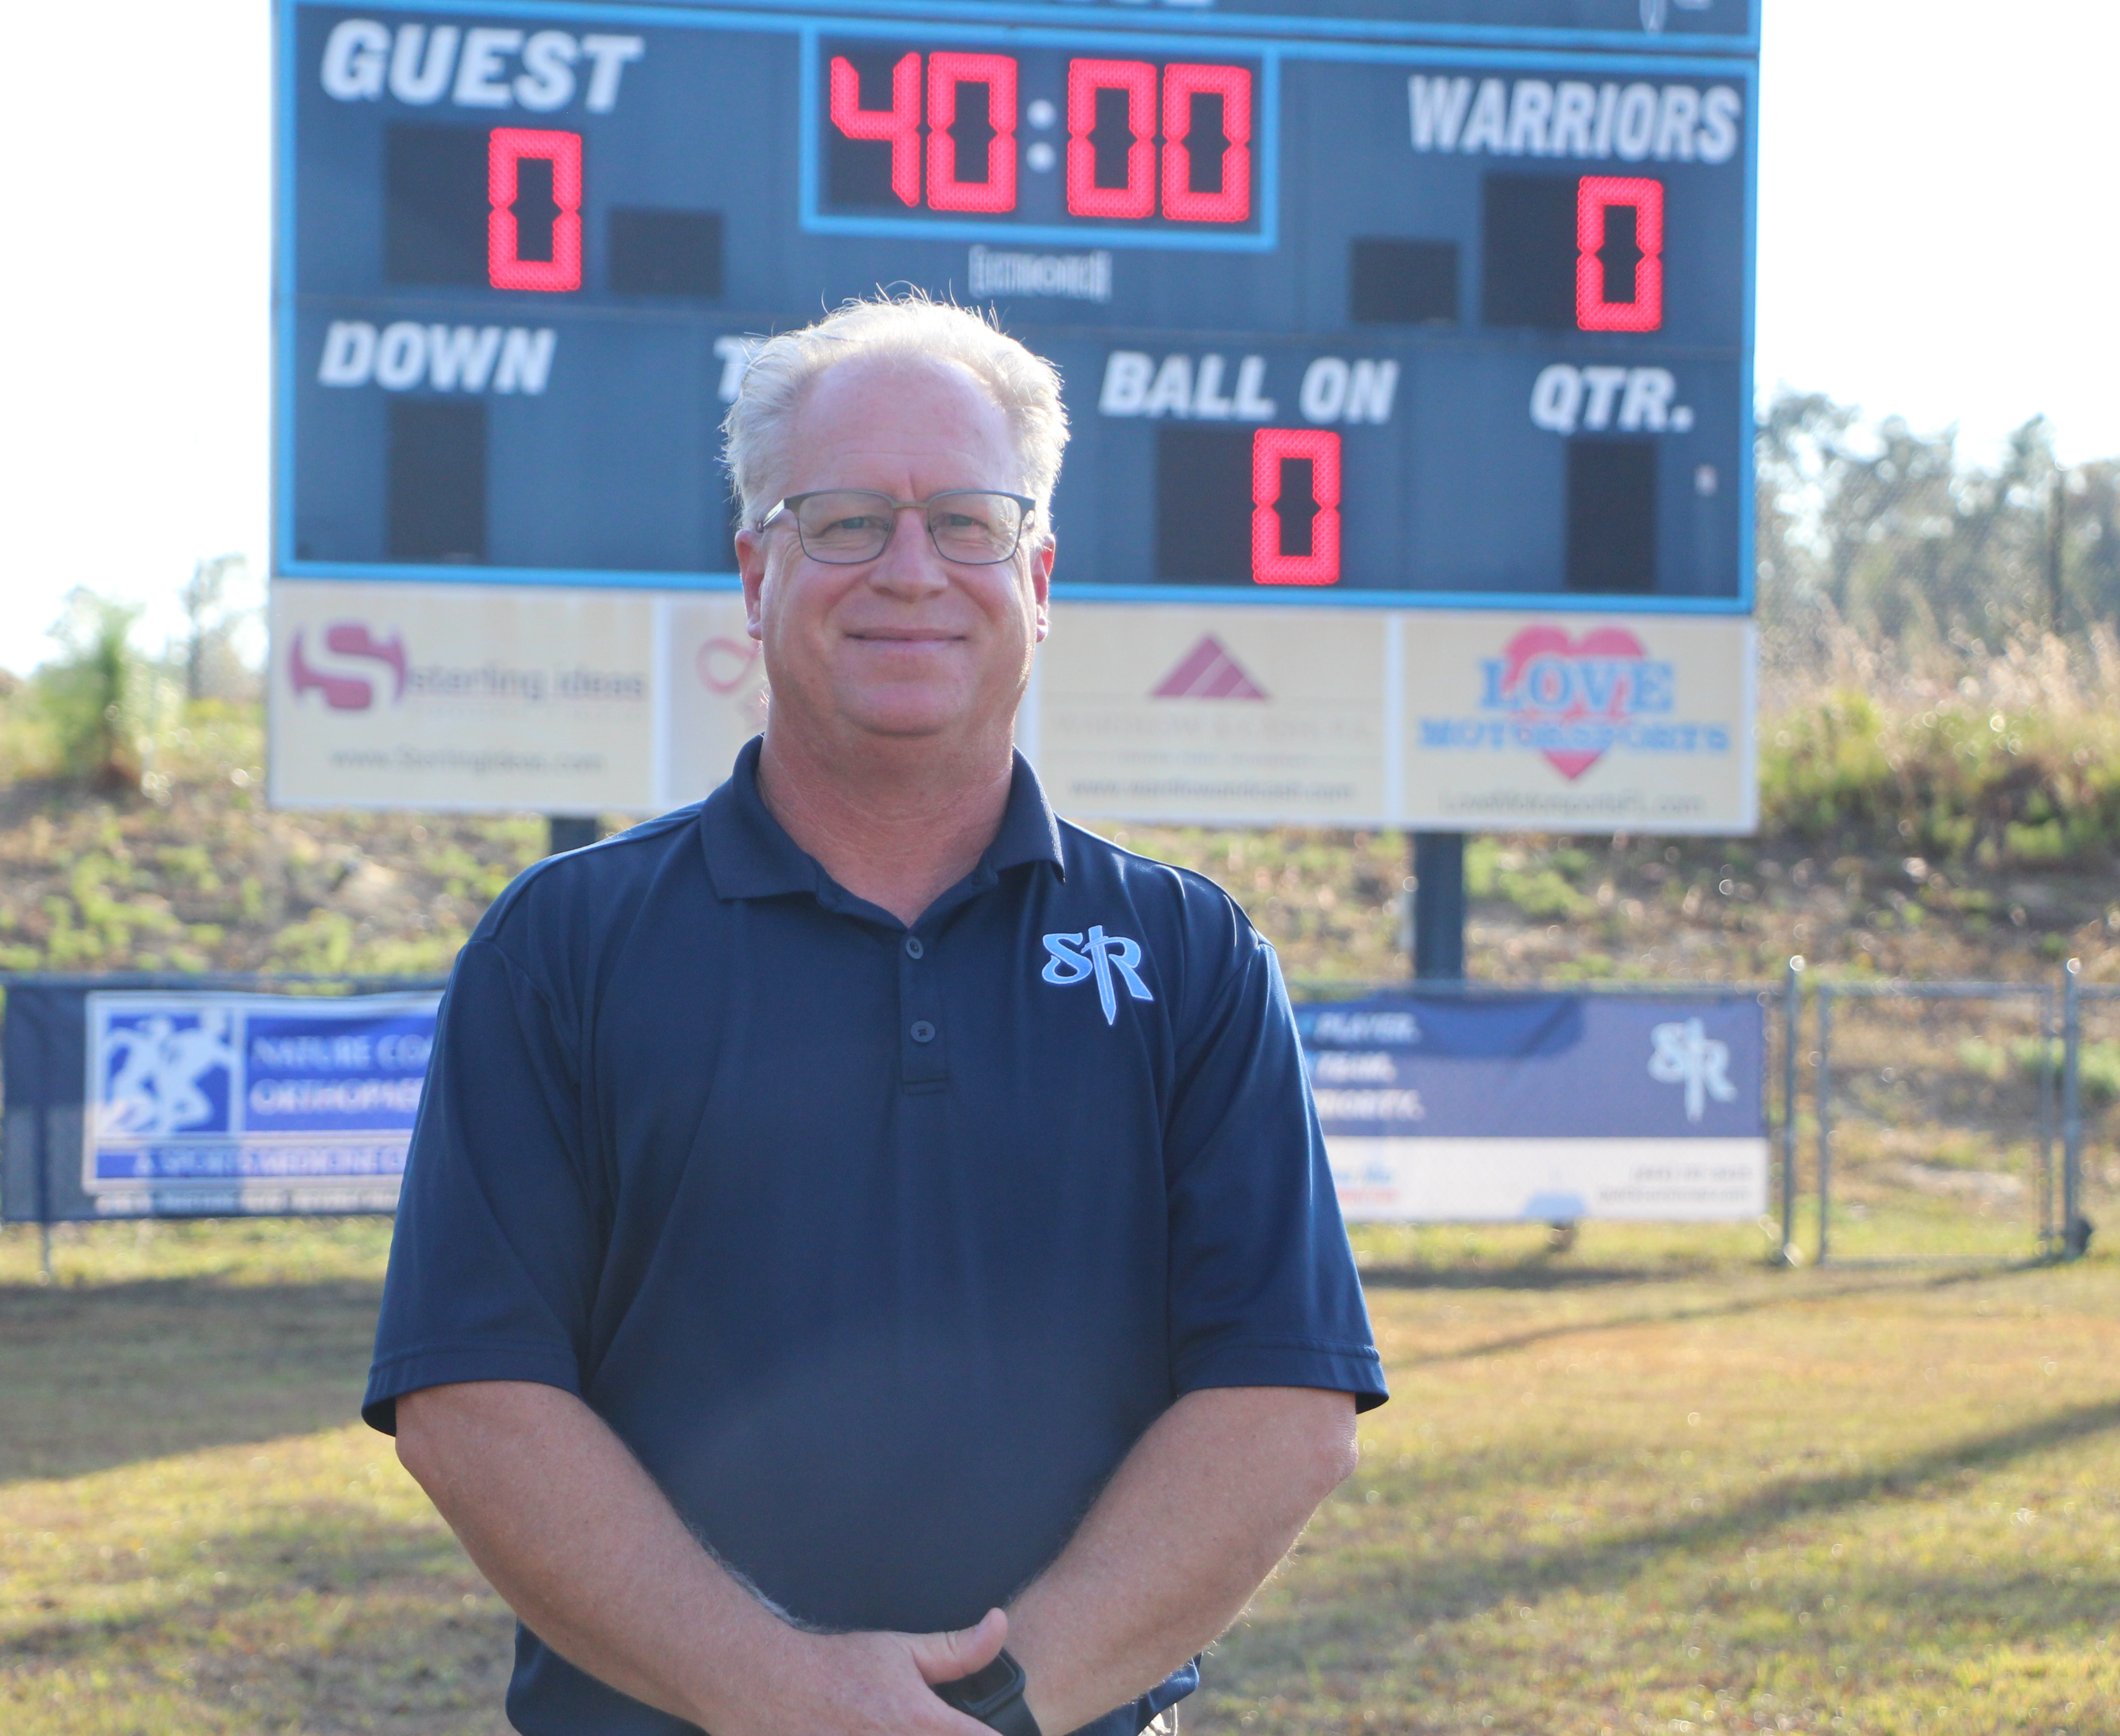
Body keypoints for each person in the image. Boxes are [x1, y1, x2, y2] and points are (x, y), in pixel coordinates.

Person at [361, 292, 1387, 1736]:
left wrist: (1001, 1710)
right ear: (751, 574)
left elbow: (1281, 1409)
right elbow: (470, 1403)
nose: (910, 569)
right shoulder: (562, 949)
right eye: (842, 519)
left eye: (965, 522)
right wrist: (784, 1699)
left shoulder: (1189, 956)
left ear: (1036, 578)